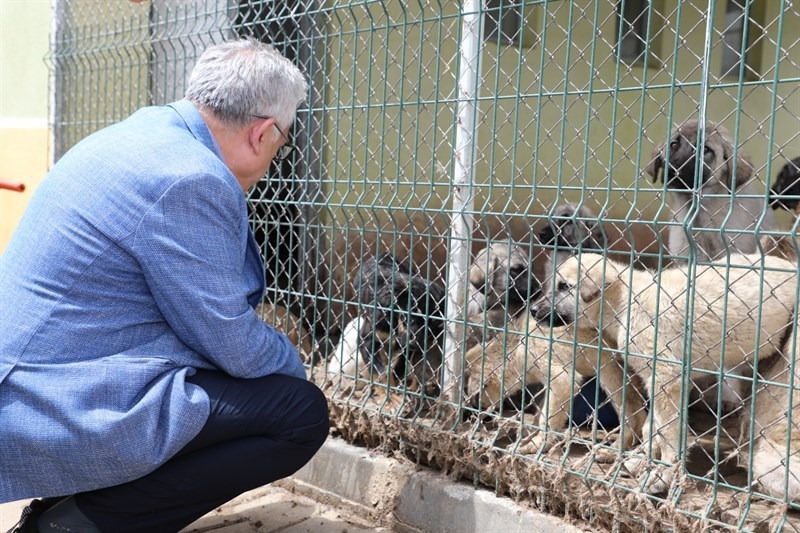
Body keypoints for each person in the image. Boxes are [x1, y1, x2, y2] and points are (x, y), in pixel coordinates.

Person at [0, 38, 329, 532]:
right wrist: (295, 367)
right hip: (48, 401)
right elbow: (231, 342)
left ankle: (64, 510)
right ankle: (70, 527)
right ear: (263, 133)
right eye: (284, 141)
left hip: (36, 378)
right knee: (297, 412)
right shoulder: (190, 178)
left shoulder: (143, 133)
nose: (276, 154)